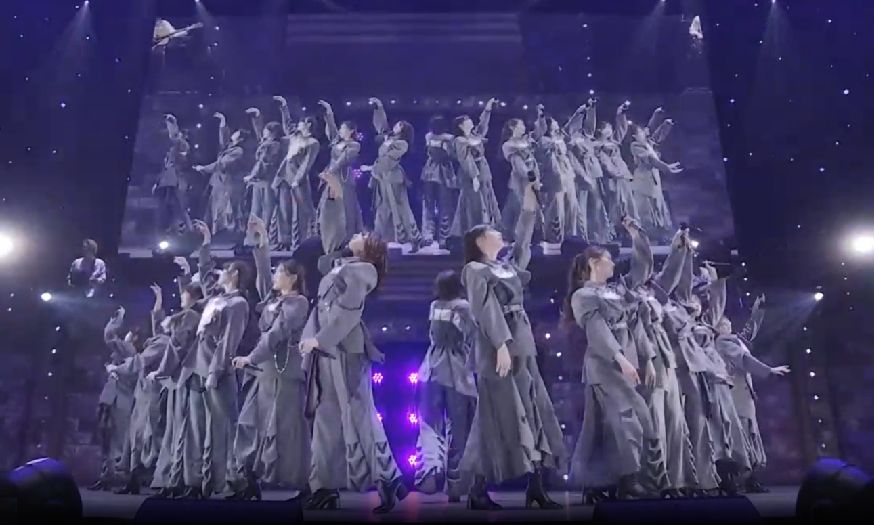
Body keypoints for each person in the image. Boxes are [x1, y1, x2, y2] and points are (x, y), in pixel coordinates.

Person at [299, 172, 408, 514]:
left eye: (363, 235)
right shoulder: (340, 263)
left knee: (360, 416)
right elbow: (332, 233)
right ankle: (323, 487)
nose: (356, 234)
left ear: (369, 249)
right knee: (326, 418)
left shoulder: (363, 271)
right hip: (326, 350)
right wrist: (334, 195)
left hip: (345, 350)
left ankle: (388, 478)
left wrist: (320, 339)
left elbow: (348, 312)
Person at [459, 181, 566, 511]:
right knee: (496, 414)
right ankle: (477, 487)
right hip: (498, 349)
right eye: (493, 232)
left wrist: (529, 207)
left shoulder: (506, 267)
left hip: (522, 344)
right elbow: (484, 309)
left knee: (533, 409)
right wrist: (501, 344)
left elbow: (522, 243)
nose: (499, 235)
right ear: (480, 241)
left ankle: (535, 486)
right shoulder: (475, 270)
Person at [565, 218, 668, 503]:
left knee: (609, 425)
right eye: (608, 259)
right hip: (605, 365)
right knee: (626, 420)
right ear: (594, 263)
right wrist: (620, 358)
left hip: (627, 363)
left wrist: (637, 235)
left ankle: (603, 482)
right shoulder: (583, 295)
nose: (613, 263)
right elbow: (597, 331)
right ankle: (628, 479)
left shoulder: (619, 290)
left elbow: (643, 269)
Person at [228, 217, 312, 501]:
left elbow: (275, 335)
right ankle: (248, 480)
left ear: (293, 278)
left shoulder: (298, 304)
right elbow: (263, 274)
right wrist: (262, 241)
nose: (275, 276)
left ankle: (305, 484)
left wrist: (249, 357)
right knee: (249, 424)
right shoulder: (274, 300)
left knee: (287, 430)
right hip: (263, 373)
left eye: (280, 272)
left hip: (283, 373)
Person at [178, 221, 251, 498]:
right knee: (198, 428)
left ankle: (236, 481)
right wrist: (206, 243)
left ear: (235, 275)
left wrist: (215, 371)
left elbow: (229, 341)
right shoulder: (217, 298)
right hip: (198, 367)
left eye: (226, 270)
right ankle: (199, 482)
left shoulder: (238, 304)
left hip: (216, 372)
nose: (220, 273)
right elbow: (207, 274)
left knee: (224, 428)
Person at [714, 294, 790, 493]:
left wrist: (759, 310)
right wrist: (769, 370)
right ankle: (737, 479)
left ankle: (750, 478)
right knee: (740, 436)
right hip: (735, 395)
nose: (727, 325)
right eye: (722, 324)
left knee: (750, 434)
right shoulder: (723, 343)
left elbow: (750, 331)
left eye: (728, 322)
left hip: (745, 395)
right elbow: (745, 360)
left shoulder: (735, 340)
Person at [414, 270, 477, 502]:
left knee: (430, 423)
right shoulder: (464, 307)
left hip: (431, 367)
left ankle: (431, 470)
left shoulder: (435, 306)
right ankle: (456, 483)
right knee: (459, 428)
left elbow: (434, 334)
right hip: (457, 371)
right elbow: (472, 336)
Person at [147, 259, 204, 498]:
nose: (180, 296)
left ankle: (179, 481)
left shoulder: (191, 316)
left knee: (182, 431)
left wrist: (161, 371)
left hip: (184, 378)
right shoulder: (185, 316)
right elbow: (165, 335)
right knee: (176, 432)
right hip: (178, 380)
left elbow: (177, 346)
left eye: (184, 293)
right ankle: (173, 480)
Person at [106, 293, 172, 495]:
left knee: (150, 437)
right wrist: (158, 299)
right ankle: (134, 480)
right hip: (143, 395)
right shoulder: (158, 340)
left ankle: (161, 480)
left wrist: (116, 369)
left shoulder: (163, 342)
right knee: (135, 438)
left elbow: (139, 362)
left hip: (152, 395)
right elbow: (157, 320)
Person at [87, 307, 140, 491]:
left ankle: (123, 478)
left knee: (119, 440)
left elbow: (109, 336)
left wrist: (117, 318)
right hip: (112, 399)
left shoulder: (129, 349)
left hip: (121, 400)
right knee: (108, 438)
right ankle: (108, 476)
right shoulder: (126, 352)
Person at [364, 97, 423, 253]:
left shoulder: (402, 144)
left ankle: (415, 238)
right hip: (383, 178)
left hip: (394, 178)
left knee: (402, 209)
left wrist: (373, 168)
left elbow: (388, 160)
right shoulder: (389, 138)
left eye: (400, 125)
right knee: (382, 208)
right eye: (398, 123)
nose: (397, 125)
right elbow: (381, 125)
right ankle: (376, 238)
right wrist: (379, 107)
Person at [274, 96, 321, 252]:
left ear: (308, 125)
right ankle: (284, 241)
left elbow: (307, 163)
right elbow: (287, 124)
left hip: (297, 179)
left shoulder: (312, 143)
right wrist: (284, 106)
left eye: (301, 122)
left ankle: (300, 242)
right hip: (284, 176)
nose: (298, 124)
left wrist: (297, 179)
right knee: (284, 210)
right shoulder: (295, 136)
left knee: (299, 212)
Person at [450, 98, 502, 238]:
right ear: (461, 125)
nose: (470, 121)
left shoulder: (475, 135)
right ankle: (472, 232)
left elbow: (482, 126)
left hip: (483, 172)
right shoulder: (460, 141)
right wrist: (474, 176)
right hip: (470, 175)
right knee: (474, 203)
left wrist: (487, 110)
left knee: (487, 201)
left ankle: (487, 230)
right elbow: (465, 159)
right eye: (467, 120)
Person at [629, 108, 682, 238]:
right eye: (641, 132)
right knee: (645, 212)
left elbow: (654, 132)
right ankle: (645, 236)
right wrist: (666, 167)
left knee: (658, 209)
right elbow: (651, 159)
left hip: (654, 183)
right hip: (643, 184)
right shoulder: (636, 146)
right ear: (635, 136)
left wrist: (664, 122)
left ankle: (660, 234)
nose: (644, 133)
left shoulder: (648, 144)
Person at [564, 99, 611, 243]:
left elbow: (591, 126)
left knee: (597, 206)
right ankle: (582, 237)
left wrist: (591, 109)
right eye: (579, 120)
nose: (581, 123)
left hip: (594, 174)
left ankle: (599, 236)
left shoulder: (587, 136)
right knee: (582, 208)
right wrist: (579, 113)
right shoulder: (570, 139)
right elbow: (570, 129)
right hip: (581, 177)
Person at [194, 112, 248, 235]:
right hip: (218, 182)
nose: (233, 134)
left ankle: (229, 232)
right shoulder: (229, 147)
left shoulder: (238, 151)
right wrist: (222, 122)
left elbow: (221, 164)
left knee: (224, 208)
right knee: (214, 207)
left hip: (227, 183)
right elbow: (223, 140)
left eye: (236, 133)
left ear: (240, 139)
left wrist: (204, 168)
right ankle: (214, 231)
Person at [317, 99, 363, 242]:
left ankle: (347, 237)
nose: (340, 130)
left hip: (343, 179)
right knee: (326, 205)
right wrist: (329, 112)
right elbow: (332, 130)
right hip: (331, 177)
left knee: (345, 207)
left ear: (351, 131)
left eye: (343, 128)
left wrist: (330, 172)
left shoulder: (354, 145)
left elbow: (343, 160)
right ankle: (328, 235)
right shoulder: (337, 142)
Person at [534, 104, 579, 245]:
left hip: (567, 174)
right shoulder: (542, 140)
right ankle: (554, 237)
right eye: (553, 122)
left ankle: (571, 236)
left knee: (572, 206)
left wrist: (580, 112)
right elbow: (540, 133)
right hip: (553, 177)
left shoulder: (561, 137)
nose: (556, 124)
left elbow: (570, 126)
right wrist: (541, 116)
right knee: (556, 209)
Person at [243, 107, 284, 248]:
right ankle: (252, 238)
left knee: (267, 211)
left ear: (272, 132)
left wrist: (252, 175)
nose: (263, 132)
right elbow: (259, 131)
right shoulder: (266, 143)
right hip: (259, 181)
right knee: (256, 210)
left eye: (266, 130)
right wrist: (257, 116)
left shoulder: (274, 145)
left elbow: (264, 163)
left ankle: (264, 239)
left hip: (267, 181)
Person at [595, 101, 638, 226]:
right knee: (615, 206)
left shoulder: (613, 141)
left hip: (622, 177)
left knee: (628, 204)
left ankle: (630, 227)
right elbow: (603, 161)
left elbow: (621, 129)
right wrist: (614, 173)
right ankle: (614, 228)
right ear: (600, 130)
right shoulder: (598, 145)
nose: (611, 130)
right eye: (608, 128)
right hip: (611, 180)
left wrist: (621, 114)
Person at [420, 116, 459, 249]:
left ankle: (443, 237)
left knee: (444, 205)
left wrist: (444, 150)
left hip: (443, 172)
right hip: (431, 171)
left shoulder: (449, 138)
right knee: (431, 204)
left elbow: (452, 155)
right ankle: (430, 235)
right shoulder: (428, 136)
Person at [500, 118, 541, 242]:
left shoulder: (526, 141)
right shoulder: (509, 145)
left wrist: (540, 117)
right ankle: (515, 236)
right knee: (519, 208)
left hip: (531, 179)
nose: (524, 126)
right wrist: (528, 174)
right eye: (521, 124)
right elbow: (517, 163)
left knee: (522, 208)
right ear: (513, 127)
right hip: (520, 181)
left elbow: (539, 132)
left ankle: (523, 235)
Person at [154, 114, 192, 236]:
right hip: (168, 181)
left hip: (178, 180)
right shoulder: (171, 150)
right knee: (167, 206)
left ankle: (186, 230)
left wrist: (172, 123)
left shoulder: (182, 144)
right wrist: (157, 182)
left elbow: (174, 137)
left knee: (180, 207)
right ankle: (170, 229)